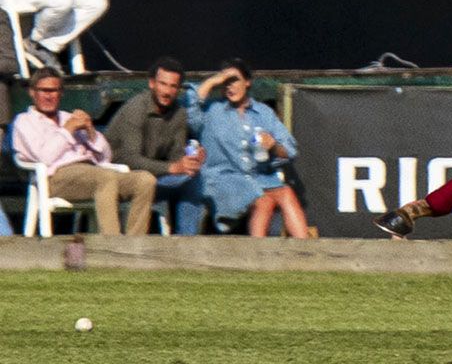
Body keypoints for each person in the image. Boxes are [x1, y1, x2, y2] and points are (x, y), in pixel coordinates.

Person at [10, 66, 155, 234]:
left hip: (91, 171)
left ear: (61, 93)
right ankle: (113, 246)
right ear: (32, 92)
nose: (49, 96)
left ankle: (135, 246)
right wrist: (67, 130)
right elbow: (44, 157)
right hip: (55, 177)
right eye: (44, 90)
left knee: (145, 180)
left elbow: (106, 157)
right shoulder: (25, 121)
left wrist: (90, 131)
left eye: (54, 91)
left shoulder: (68, 117)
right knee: (105, 178)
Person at [187, 59, 306, 238]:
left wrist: (273, 146)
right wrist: (213, 81)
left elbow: (290, 151)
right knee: (262, 199)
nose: (229, 87)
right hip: (223, 179)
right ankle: (258, 257)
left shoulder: (263, 112)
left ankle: (306, 253)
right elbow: (190, 111)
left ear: (247, 82)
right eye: (225, 83)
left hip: (259, 178)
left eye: (234, 80)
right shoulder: (212, 111)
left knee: (286, 192)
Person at [106, 56, 208, 234]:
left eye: (173, 86)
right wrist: (172, 167)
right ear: (152, 83)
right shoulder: (136, 108)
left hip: (154, 177)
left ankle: (187, 246)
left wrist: (190, 162)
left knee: (193, 180)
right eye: (163, 84)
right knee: (154, 179)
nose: (167, 91)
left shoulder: (179, 114)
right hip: (121, 178)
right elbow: (130, 159)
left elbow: (176, 157)